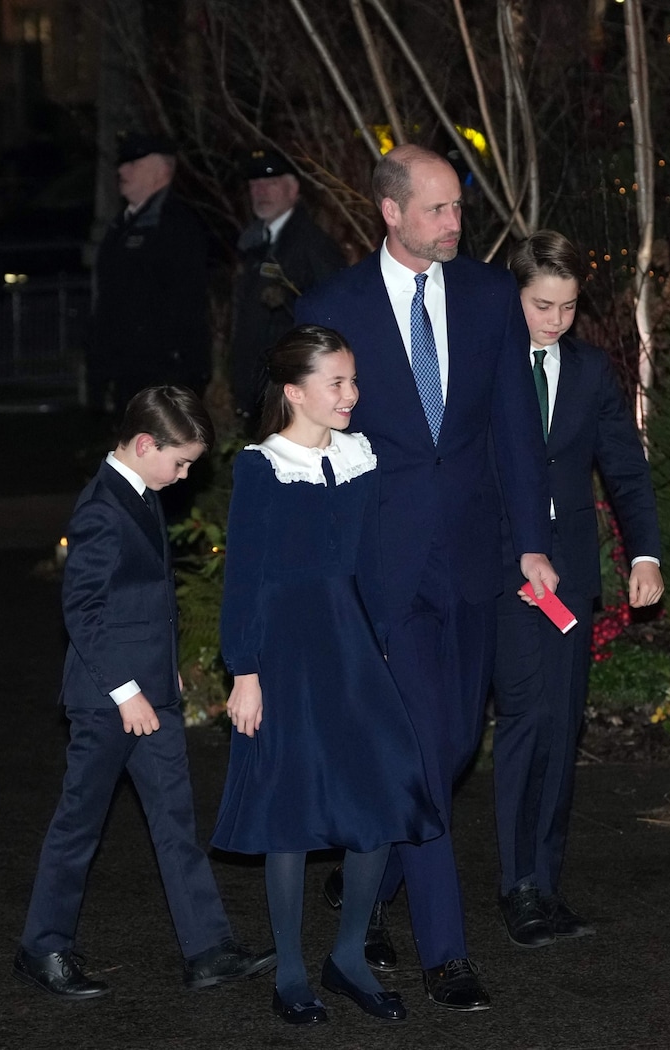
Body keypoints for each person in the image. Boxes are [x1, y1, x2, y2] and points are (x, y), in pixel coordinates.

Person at [295, 144, 557, 1011]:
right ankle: (447, 952)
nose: (456, 223)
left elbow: (516, 432)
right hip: (383, 565)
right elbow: (304, 445)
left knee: (451, 749)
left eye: (458, 207)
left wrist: (531, 540)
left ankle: (371, 872)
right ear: (392, 212)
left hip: (476, 557)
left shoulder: (488, 298)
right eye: (439, 209)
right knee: (415, 747)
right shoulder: (333, 308)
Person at [211, 325, 443, 1026]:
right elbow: (243, 576)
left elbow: (368, 561)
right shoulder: (262, 465)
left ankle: (346, 956)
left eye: (353, 380)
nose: (352, 394)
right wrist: (243, 669)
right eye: (337, 383)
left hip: (350, 645)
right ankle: (288, 971)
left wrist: (378, 641)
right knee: (290, 809)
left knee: (379, 796)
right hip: (285, 651)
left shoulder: (359, 455)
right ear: (295, 393)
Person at [13, 386, 275, 1001]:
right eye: (180, 461)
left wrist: (165, 669)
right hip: (110, 700)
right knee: (79, 824)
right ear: (141, 444)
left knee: (175, 820)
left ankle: (206, 948)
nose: (185, 474)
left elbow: (142, 599)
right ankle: (42, 946)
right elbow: (83, 609)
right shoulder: (102, 507)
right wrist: (127, 690)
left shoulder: (141, 491)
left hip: (148, 692)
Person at [493, 230, 664, 947]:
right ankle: (515, 884)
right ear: (516, 295)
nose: (554, 321)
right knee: (524, 721)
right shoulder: (489, 363)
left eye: (566, 307)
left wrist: (646, 553)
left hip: (569, 574)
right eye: (541, 305)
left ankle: (542, 882)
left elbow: (623, 466)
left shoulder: (592, 371)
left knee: (561, 728)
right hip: (500, 571)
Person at [89, 133, 211, 416]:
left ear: (161, 171)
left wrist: (185, 368)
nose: (121, 171)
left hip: (163, 371)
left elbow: (186, 301)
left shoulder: (176, 224)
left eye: (133, 164)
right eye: (123, 164)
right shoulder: (122, 225)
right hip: (126, 369)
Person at [229, 148, 345, 422]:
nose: (261, 191)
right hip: (259, 393)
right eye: (255, 184)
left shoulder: (313, 245)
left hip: (291, 396)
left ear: (293, 189)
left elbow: (332, 319)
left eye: (271, 183)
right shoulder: (254, 243)